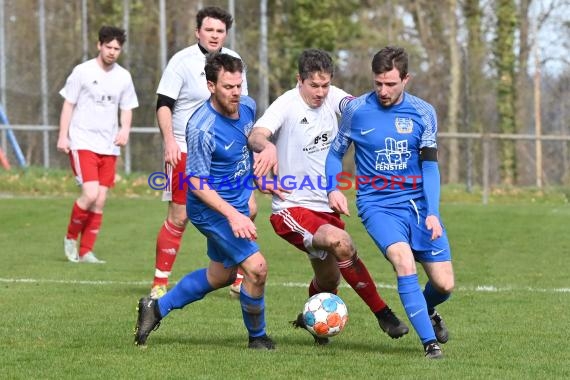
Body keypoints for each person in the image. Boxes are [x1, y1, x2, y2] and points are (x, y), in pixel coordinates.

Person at [248, 49, 409, 345]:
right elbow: (257, 134)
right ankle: (383, 314)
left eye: (325, 85)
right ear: (300, 80)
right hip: (291, 208)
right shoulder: (286, 104)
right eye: (314, 86)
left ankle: (312, 320)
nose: (320, 93)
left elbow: (357, 106)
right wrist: (265, 146)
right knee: (341, 243)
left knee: (328, 282)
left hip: (325, 208)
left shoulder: (333, 96)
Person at [135, 53, 274, 350]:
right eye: (228, 87)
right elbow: (196, 183)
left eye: (238, 85)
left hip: (235, 203)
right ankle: (258, 337)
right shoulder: (201, 127)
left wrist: (258, 179)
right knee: (257, 267)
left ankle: (156, 308)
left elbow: (244, 149)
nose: (235, 92)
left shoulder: (247, 107)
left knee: (220, 275)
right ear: (211, 86)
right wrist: (234, 216)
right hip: (210, 210)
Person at [324, 46, 454, 359]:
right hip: (377, 205)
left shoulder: (423, 112)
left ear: (405, 79)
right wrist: (333, 188)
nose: (383, 90)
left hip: (418, 207)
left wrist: (433, 213)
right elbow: (334, 153)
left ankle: (429, 309)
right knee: (403, 260)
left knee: (444, 284)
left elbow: (429, 166)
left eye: (391, 84)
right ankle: (429, 345)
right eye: (378, 83)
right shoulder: (357, 110)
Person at [150, 6, 252, 299]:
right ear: (198, 32)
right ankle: (159, 282)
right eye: (209, 30)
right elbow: (164, 104)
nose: (214, 35)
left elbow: (240, 107)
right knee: (179, 215)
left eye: (220, 31)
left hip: (225, 152)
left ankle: (238, 274)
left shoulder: (234, 61)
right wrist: (169, 141)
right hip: (184, 147)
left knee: (247, 208)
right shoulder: (181, 62)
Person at [57, 26, 138, 264]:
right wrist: (63, 136)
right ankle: (71, 238)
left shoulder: (123, 76)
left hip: (109, 145)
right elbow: (68, 104)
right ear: (99, 46)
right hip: (82, 141)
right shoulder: (82, 72)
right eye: (108, 47)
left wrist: (124, 130)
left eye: (117, 48)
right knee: (90, 194)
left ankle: (86, 252)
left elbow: (127, 107)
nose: (112, 52)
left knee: (101, 199)